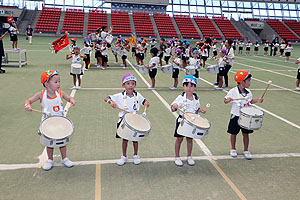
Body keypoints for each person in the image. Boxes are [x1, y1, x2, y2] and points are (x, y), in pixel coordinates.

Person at [24, 70, 76, 170]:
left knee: (63, 142)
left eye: (59, 81)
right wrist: (27, 105)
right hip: (48, 124)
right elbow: (28, 100)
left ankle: (64, 158)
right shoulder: (41, 94)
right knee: (49, 143)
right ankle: (50, 159)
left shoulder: (61, 93)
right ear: (46, 84)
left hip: (60, 122)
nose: (58, 84)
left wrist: (72, 100)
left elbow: (69, 98)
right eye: (55, 82)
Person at [104, 73, 150, 166]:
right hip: (124, 120)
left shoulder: (138, 95)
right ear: (123, 85)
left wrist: (146, 103)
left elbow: (144, 101)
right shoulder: (119, 96)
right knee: (124, 139)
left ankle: (136, 155)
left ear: (135, 85)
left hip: (135, 120)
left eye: (133, 83)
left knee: (135, 139)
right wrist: (111, 102)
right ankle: (124, 156)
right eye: (128, 83)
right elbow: (106, 98)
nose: (130, 85)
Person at [224, 70, 263, 160]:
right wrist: (228, 100)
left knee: (246, 134)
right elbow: (225, 100)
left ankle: (246, 150)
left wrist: (257, 100)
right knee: (233, 133)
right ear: (242, 82)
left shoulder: (248, 92)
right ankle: (233, 149)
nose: (250, 82)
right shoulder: (233, 91)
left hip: (246, 116)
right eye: (248, 80)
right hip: (236, 115)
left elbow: (250, 101)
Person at [171, 75, 206, 166]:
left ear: (195, 87)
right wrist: (174, 106)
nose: (189, 88)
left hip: (192, 122)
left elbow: (196, 109)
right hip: (182, 121)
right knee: (179, 139)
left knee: (190, 139)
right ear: (183, 86)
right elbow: (173, 108)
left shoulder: (196, 98)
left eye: (191, 86)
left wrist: (200, 110)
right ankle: (177, 157)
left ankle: (189, 156)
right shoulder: (181, 97)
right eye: (186, 86)